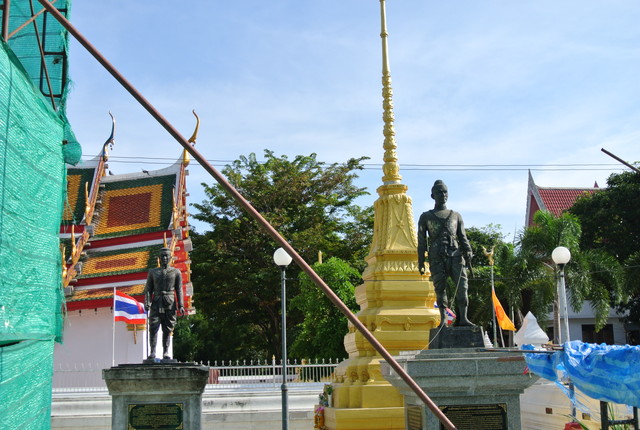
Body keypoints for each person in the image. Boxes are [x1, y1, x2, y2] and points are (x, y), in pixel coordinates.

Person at [417, 180, 474, 327]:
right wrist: (421, 261)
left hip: (456, 255)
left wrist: (468, 251)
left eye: (445, 192)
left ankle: (463, 318)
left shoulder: (456, 215)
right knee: (440, 289)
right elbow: (422, 241)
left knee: (462, 287)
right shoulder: (426, 217)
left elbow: (462, 236)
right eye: (439, 192)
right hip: (436, 257)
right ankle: (443, 319)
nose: (442, 195)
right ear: (433, 196)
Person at [144, 247, 184, 359]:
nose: (165, 258)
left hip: (169, 303)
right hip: (156, 302)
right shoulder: (153, 272)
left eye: (167, 256)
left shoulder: (176, 272)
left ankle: (166, 352)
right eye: (162, 256)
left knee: (167, 328)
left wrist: (181, 305)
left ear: (170, 258)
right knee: (153, 327)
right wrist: (147, 302)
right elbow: (148, 289)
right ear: (159, 258)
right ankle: (152, 351)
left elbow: (179, 289)